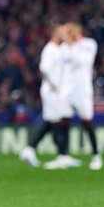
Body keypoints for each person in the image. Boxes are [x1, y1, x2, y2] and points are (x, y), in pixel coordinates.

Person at [42, 22, 101, 170]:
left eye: (67, 32)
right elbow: (60, 68)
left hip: (82, 91)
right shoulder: (63, 48)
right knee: (63, 122)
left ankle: (96, 156)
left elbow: (83, 61)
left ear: (74, 32)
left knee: (87, 122)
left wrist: (71, 44)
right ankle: (63, 156)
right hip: (66, 91)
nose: (64, 36)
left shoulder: (89, 44)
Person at [19, 24, 76, 168]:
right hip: (51, 91)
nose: (65, 33)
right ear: (56, 32)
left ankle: (30, 149)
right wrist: (52, 82)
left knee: (51, 121)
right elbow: (44, 68)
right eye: (63, 31)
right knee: (55, 120)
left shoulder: (58, 49)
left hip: (56, 91)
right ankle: (61, 156)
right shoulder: (50, 49)